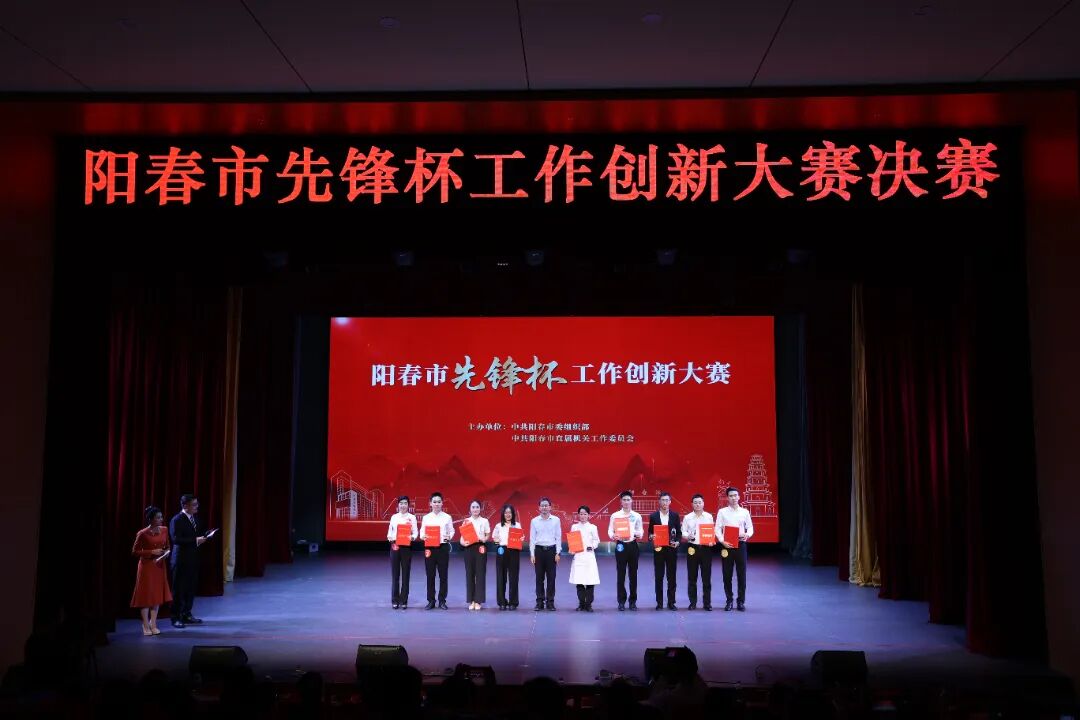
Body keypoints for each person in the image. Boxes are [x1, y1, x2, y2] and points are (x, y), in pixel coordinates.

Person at [168, 494, 210, 627]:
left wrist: (206, 535)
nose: (197, 507)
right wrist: (195, 540)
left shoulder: (194, 518)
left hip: (193, 559)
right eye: (194, 504)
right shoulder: (177, 520)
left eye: (197, 504)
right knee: (178, 590)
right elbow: (176, 539)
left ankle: (186, 614)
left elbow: (195, 535)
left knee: (190, 588)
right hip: (180, 560)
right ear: (185, 505)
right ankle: (175, 617)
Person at [131, 505, 172, 636]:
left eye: (161, 517)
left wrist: (166, 553)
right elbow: (135, 551)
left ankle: (153, 624)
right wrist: (151, 551)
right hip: (147, 566)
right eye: (158, 517)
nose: (161, 519)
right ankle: (145, 624)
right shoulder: (142, 533)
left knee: (156, 595)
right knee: (146, 596)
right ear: (150, 519)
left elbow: (168, 546)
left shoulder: (164, 530)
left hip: (159, 565)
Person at [718, 486, 754, 612]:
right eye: (731, 496)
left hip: (741, 545)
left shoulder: (745, 512)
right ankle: (729, 600)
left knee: (741, 574)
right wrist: (722, 541)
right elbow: (717, 528)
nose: (733, 498)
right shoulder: (722, 512)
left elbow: (750, 527)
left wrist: (747, 535)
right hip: (727, 546)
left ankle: (741, 601)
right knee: (727, 574)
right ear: (727, 498)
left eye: (735, 495)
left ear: (739, 497)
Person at [607, 490, 644, 610]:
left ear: (632, 501)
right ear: (621, 501)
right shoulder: (615, 515)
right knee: (621, 575)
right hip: (621, 546)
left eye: (628, 500)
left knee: (633, 575)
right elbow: (610, 530)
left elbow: (640, 530)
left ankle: (633, 601)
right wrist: (613, 536)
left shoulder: (637, 515)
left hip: (633, 545)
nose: (626, 502)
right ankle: (621, 601)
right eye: (624, 500)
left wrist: (639, 534)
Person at [680, 494, 715, 611]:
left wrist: (711, 540)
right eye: (695, 502)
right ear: (692, 504)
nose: (697, 504)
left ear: (703, 503)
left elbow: (711, 532)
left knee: (706, 578)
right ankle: (693, 602)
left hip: (706, 549)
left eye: (700, 502)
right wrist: (687, 535)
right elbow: (683, 531)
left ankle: (707, 603)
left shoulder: (709, 517)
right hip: (692, 548)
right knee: (692, 578)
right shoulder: (687, 517)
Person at [421, 492, 455, 610]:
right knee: (430, 576)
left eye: (439, 502)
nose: (436, 504)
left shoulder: (447, 517)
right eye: (434, 502)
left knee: (443, 576)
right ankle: (431, 601)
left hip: (442, 548)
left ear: (442, 503)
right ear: (430, 503)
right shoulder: (426, 518)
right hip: (430, 549)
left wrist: (449, 536)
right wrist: (423, 536)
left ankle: (442, 601)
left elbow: (452, 531)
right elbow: (422, 532)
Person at [648, 491, 681, 610]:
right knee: (659, 577)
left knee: (671, 577)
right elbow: (650, 532)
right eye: (663, 500)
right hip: (659, 550)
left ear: (670, 502)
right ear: (659, 501)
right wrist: (651, 537)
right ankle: (659, 603)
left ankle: (671, 602)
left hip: (671, 549)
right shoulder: (654, 516)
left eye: (667, 500)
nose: (665, 502)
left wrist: (677, 541)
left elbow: (679, 532)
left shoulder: (675, 516)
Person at [529, 497, 561, 611]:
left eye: (546, 505)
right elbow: (532, 539)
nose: (544, 507)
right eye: (542, 505)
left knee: (551, 578)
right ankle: (539, 602)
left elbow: (558, 537)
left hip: (552, 551)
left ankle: (550, 602)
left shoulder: (556, 520)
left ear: (550, 507)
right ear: (539, 508)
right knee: (539, 578)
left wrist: (558, 553)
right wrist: (532, 554)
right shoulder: (534, 521)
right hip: (539, 551)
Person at [386, 495, 418, 609]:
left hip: (406, 547)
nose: (403, 505)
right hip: (395, 546)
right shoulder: (394, 517)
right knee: (395, 575)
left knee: (406, 575)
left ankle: (404, 600)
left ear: (408, 505)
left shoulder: (412, 518)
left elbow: (415, 532)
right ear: (398, 505)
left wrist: (412, 537)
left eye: (405, 503)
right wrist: (390, 537)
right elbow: (390, 532)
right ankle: (395, 600)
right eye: (401, 503)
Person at [568, 505, 600, 611]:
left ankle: (588, 604)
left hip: (589, 556)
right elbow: (572, 541)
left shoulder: (593, 527)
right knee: (579, 580)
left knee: (590, 581)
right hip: (578, 556)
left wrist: (592, 546)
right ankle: (581, 604)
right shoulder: (574, 527)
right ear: (578, 515)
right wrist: (572, 548)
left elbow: (596, 540)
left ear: (588, 515)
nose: (583, 516)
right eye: (581, 514)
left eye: (585, 514)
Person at [460, 499, 490, 610]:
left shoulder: (485, 521)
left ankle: (478, 601)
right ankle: (471, 600)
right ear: (470, 509)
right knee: (470, 574)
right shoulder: (466, 521)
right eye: (473, 507)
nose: (475, 509)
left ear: (480, 509)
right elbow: (462, 538)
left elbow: (487, 535)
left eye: (477, 507)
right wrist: (463, 543)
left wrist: (484, 539)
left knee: (480, 574)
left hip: (480, 548)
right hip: (469, 548)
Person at [491, 504, 522, 610]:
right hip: (502, 550)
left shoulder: (517, 525)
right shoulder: (498, 526)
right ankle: (502, 602)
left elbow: (521, 538)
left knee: (514, 577)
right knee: (501, 577)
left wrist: (521, 539)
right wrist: (496, 540)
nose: (508, 514)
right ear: (503, 514)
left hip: (514, 551)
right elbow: (494, 539)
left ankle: (513, 602)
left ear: (513, 514)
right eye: (506, 513)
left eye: (510, 512)